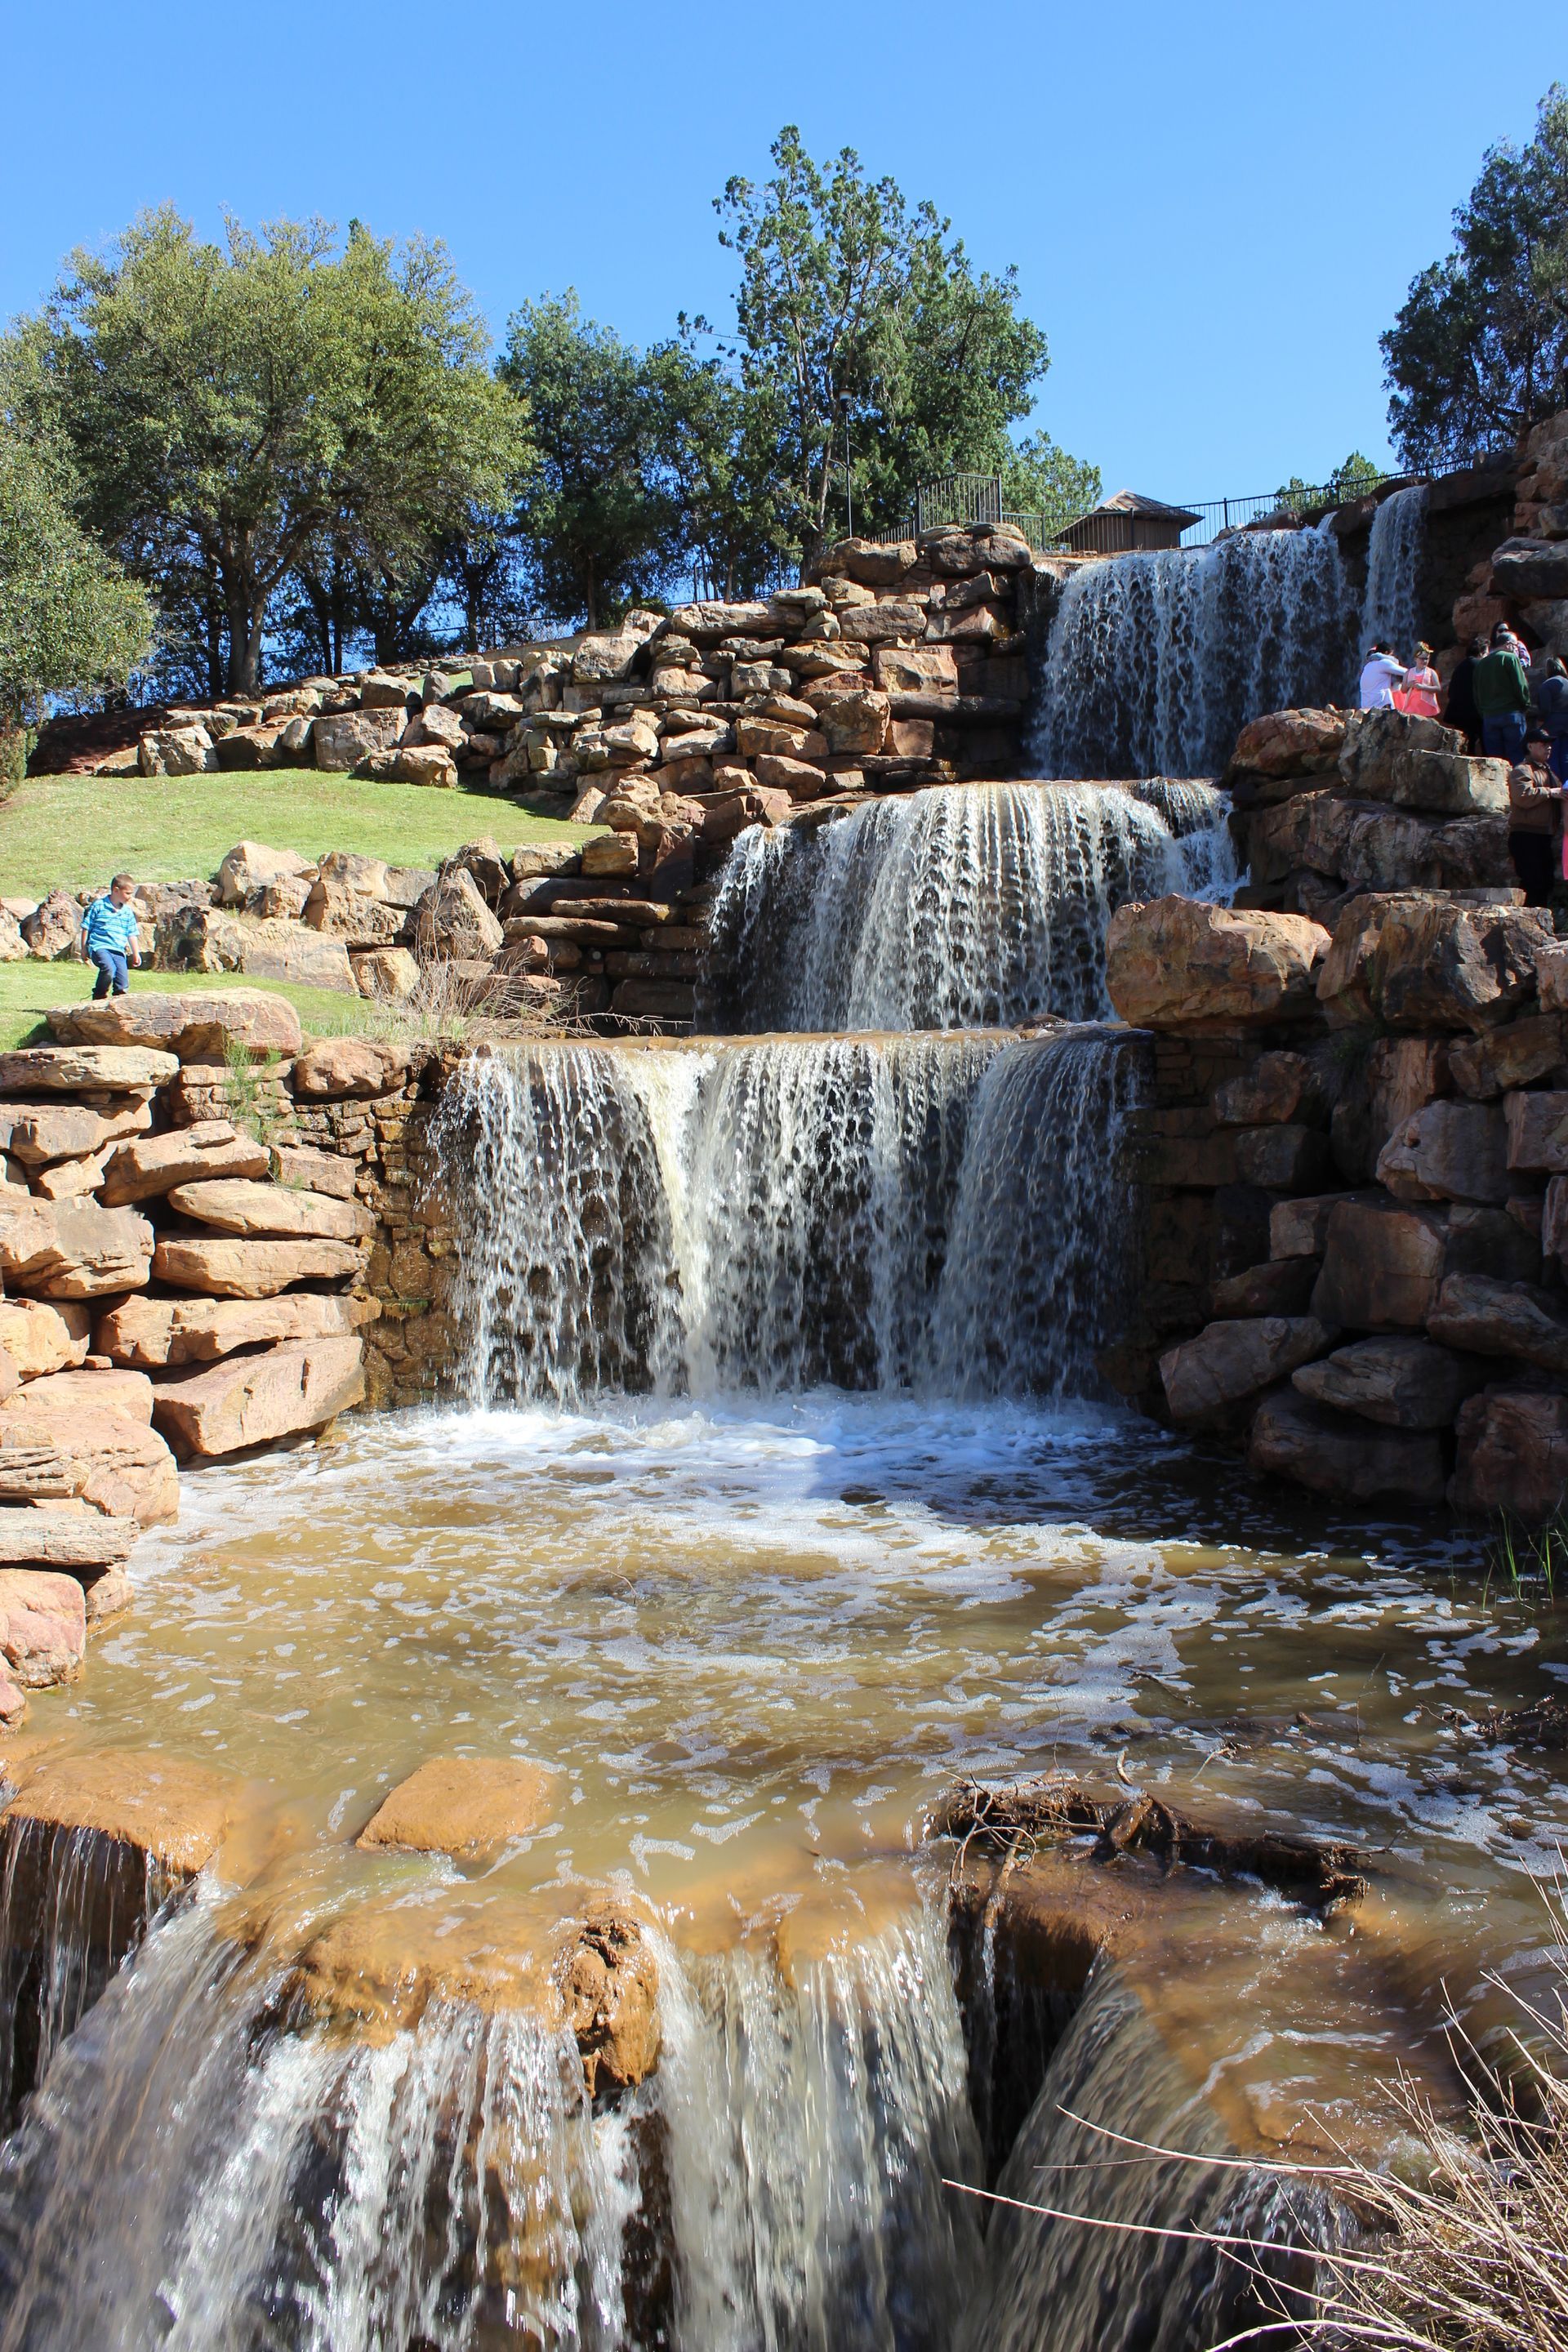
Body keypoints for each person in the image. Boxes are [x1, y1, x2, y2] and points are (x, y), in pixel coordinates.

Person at [1507, 738, 1563, 906]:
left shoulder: (1549, 772)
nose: (1549, 747)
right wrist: (1550, 792)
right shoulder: (1522, 770)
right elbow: (1522, 796)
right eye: (1543, 744)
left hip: (1544, 835)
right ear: (1530, 746)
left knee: (1546, 882)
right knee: (1533, 883)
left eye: (1550, 744)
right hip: (1526, 835)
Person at [1473, 621, 1530, 764]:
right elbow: (1520, 685)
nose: (1516, 648)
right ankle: (1517, 786)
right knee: (1516, 755)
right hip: (1512, 714)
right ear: (1508, 644)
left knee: (1495, 761)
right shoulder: (1511, 658)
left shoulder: (1481, 664)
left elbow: (1476, 693)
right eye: (1515, 645)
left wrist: (1483, 712)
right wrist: (1525, 704)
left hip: (1489, 717)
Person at [78, 875, 142, 1000]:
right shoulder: (99, 906)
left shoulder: (127, 912)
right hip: (100, 946)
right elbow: (87, 927)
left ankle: (119, 1003)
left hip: (118, 950)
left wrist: (136, 953)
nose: (130, 897)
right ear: (116, 890)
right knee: (109, 969)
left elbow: (132, 933)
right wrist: (84, 948)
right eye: (127, 893)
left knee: (122, 982)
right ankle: (99, 997)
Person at [1444, 635, 1486, 752]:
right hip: (1476, 713)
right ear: (1482, 652)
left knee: (1465, 746)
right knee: (1484, 745)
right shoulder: (1481, 666)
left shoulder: (1459, 667)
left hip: (1458, 713)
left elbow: (1451, 691)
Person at [1538, 653, 1568, 785]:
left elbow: (1545, 709)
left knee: (1552, 756)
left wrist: (1540, 723)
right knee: (1566, 757)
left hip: (1552, 725)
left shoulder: (1547, 685)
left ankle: (1555, 785)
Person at [1358, 641, 1405, 709]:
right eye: (1391, 654)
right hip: (1380, 705)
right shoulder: (1384, 663)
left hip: (1366, 706)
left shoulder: (1368, 666)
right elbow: (1407, 672)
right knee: (1399, 684)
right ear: (1386, 653)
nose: (1392, 656)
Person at [1401, 641, 1442, 719]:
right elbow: (1403, 690)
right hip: (1412, 707)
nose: (1425, 661)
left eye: (1427, 659)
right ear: (1415, 659)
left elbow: (1438, 688)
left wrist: (1423, 687)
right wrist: (1408, 685)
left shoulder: (1431, 672)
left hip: (1427, 707)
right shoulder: (1408, 673)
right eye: (1422, 659)